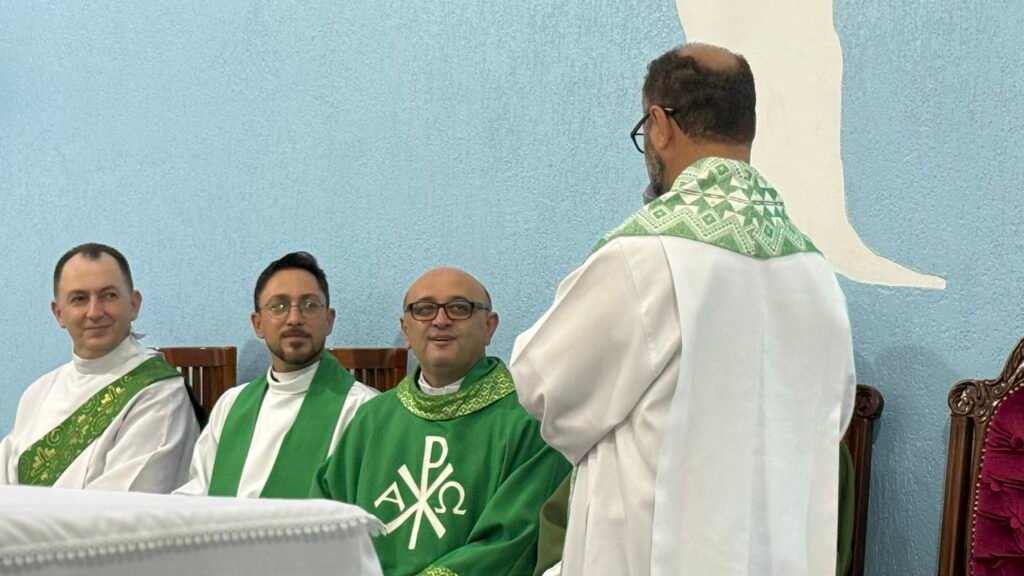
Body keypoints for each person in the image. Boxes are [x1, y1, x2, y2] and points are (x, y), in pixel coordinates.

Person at [510, 43, 856, 576]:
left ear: (659, 125)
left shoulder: (644, 257)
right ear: (747, 128)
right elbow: (832, 420)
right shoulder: (814, 272)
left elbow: (541, 384)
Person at [313, 267, 571, 575]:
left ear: (489, 326)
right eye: (424, 309)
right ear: (406, 329)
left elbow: (513, 538)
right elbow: (326, 517)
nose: (440, 320)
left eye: (459, 308)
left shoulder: (529, 421)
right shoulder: (371, 419)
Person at [0, 243, 199, 492]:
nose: (94, 312)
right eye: (79, 299)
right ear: (58, 313)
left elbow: (123, 505)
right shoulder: (38, 393)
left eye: (109, 296)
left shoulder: (160, 394)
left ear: (134, 304)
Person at [176, 252, 377, 498]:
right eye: (278, 306)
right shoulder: (231, 405)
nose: (294, 319)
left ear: (329, 320)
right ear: (258, 324)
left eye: (309, 305)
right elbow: (195, 497)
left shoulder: (362, 410)